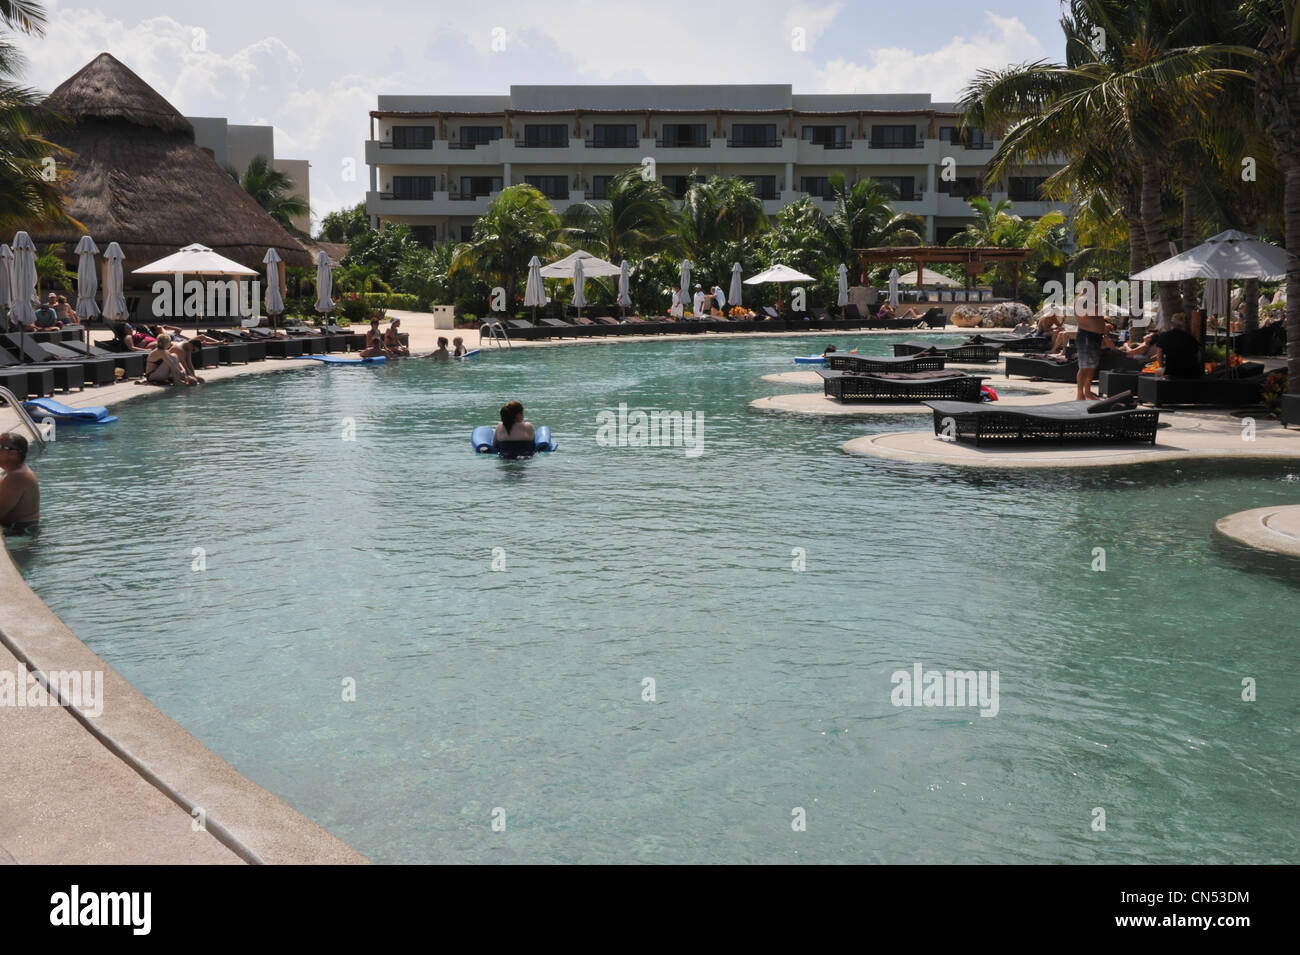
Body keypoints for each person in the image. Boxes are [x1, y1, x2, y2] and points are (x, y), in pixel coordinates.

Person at [1073, 277, 1108, 400]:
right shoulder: (1083, 298)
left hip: (1093, 336)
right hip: (1086, 335)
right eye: (1098, 286)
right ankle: (1079, 393)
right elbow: (1090, 312)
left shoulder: (1090, 299)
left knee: (1092, 365)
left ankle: (1087, 391)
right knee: (1084, 366)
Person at [0, 433, 39, 537]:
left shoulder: (16, 476)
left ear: (12, 453)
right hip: (24, 529)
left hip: (19, 533)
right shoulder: (16, 471)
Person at [1154, 314, 1203, 378]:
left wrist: (1163, 367)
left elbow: (1159, 357)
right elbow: (1199, 356)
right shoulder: (1190, 337)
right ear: (1183, 325)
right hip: (1193, 371)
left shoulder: (1164, 336)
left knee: (1157, 371)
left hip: (1173, 371)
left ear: (1171, 324)